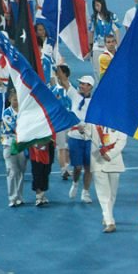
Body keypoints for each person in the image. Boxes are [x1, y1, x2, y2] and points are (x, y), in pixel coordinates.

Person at [56, 68, 94, 203]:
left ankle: (86, 191)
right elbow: (64, 81)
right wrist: (58, 69)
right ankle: (75, 183)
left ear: (90, 87)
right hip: (74, 137)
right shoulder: (74, 95)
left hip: (89, 138)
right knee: (77, 167)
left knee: (89, 167)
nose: (81, 85)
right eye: (81, 83)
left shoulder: (95, 102)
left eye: (84, 84)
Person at [85, 123, 127, 233]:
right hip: (97, 161)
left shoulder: (118, 121)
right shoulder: (92, 122)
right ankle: (110, 222)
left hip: (114, 161)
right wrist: (81, 129)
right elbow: (86, 134)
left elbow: (122, 140)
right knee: (103, 194)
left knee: (112, 194)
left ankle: (107, 215)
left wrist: (111, 154)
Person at [0, 90, 27, 207]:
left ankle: (19, 196)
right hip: (9, 144)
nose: (16, 102)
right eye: (14, 99)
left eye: (18, 99)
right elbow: (16, 127)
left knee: (21, 171)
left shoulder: (25, 112)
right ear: (10, 99)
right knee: (11, 171)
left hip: (22, 144)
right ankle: (12, 198)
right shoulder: (6, 113)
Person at [89, 0, 120, 83]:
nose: (96, 8)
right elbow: (91, 32)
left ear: (103, 4)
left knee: (111, 70)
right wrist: (90, 48)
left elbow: (116, 31)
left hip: (109, 47)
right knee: (97, 71)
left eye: (98, 5)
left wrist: (118, 46)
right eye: (95, 6)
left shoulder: (111, 16)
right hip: (97, 47)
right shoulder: (93, 18)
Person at [52, 65, 72, 179]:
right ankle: (63, 170)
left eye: (59, 73)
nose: (57, 75)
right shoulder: (54, 90)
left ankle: (67, 167)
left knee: (69, 147)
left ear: (65, 74)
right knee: (61, 147)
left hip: (70, 121)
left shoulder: (72, 88)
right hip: (59, 122)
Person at [30, 140, 55, 206]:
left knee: (46, 171)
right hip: (36, 144)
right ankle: (38, 196)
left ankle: (42, 194)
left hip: (49, 145)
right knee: (37, 171)